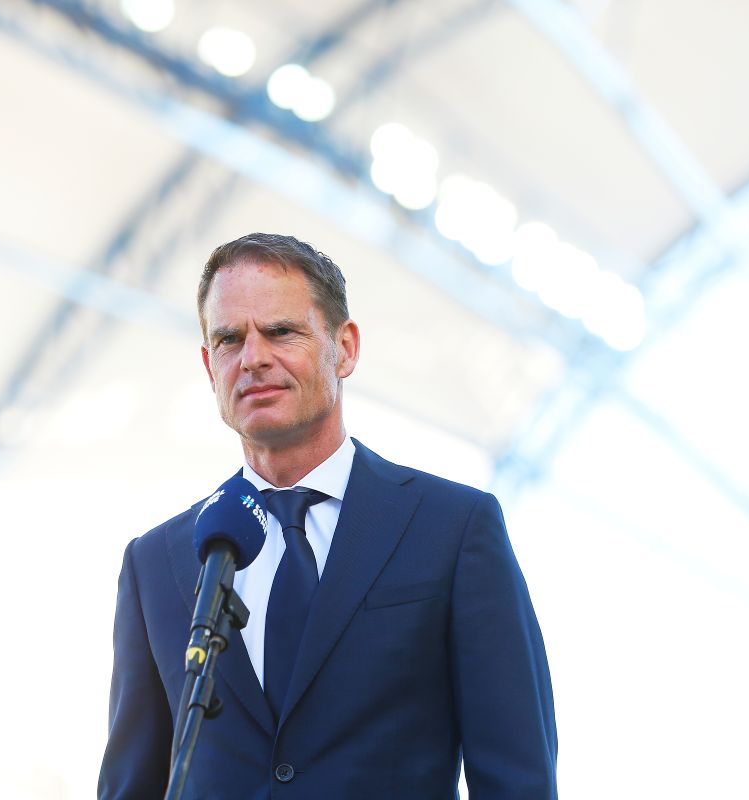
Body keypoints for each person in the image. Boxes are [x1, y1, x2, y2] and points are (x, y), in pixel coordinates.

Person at [98, 233, 557, 799]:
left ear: (345, 347)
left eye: (281, 331)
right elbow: (132, 784)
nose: (254, 358)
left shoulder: (454, 529)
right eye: (229, 339)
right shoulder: (156, 563)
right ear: (208, 365)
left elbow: (518, 779)